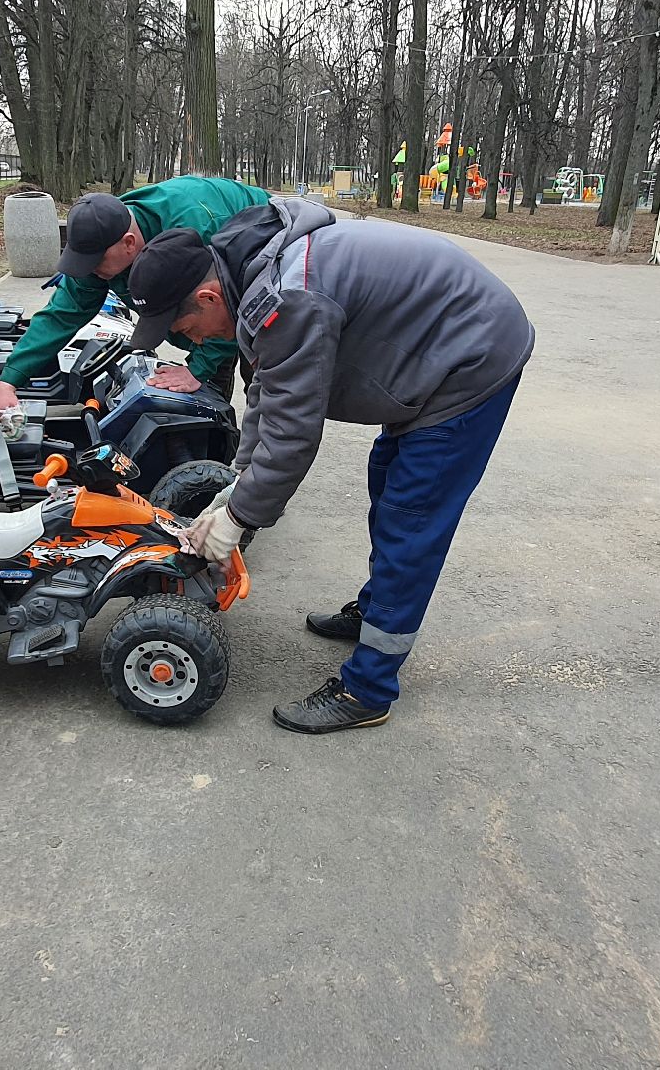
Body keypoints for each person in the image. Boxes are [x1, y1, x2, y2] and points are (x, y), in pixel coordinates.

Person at [121, 198, 531, 734]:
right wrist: (237, 484)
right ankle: (376, 610)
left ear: (206, 297)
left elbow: (293, 435)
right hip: (435, 341)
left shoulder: (288, 300)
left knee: (411, 518)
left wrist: (239, 517)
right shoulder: (248, 276)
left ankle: (368, 689)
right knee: (388, 480)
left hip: (471, 357)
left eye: (186, 329)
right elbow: (268, 391)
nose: (192, 342)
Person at [0, 176, 273, 416]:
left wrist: (198, 370)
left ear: (129, 243)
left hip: (261, 267)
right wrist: (10, 381)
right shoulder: (102, 238)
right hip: (221, 292)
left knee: (263, 381)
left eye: (95, 264)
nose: (90, 271)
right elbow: (61, 315)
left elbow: (226, 309)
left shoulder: (199, 231)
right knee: (205, 377)